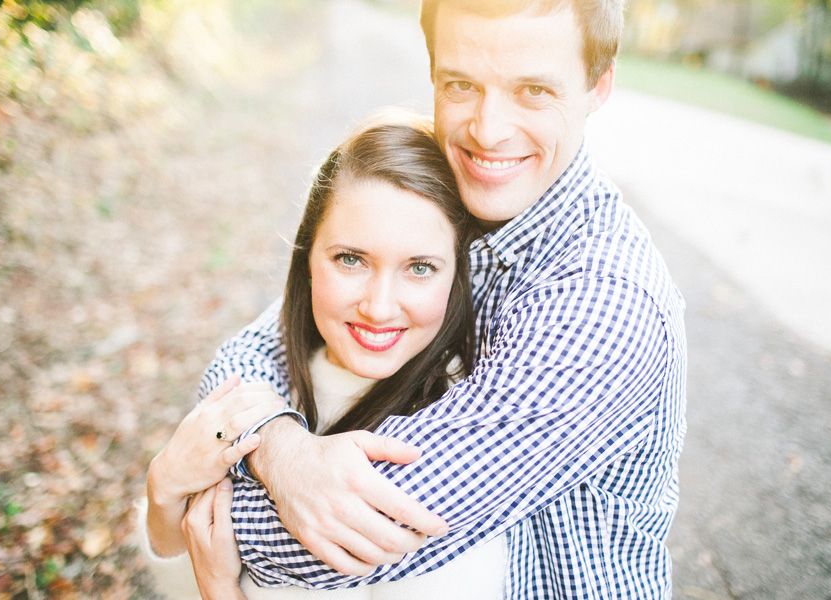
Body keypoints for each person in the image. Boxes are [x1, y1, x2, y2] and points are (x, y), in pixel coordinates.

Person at [193, 0, 687, 598]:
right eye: (461, 84)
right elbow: (261, 346)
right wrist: (276, 445)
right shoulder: (463, 185)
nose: (488, 129)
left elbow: (351, 538)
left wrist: (194, 479)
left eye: (533, 89)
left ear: (596, 85)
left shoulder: (604, 304)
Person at [139, 115, 509, 599]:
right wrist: (162, 487)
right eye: (351, 259)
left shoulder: (465, 427)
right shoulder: (260, 386)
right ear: (308, 260)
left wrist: (220, 591)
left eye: (420, 268)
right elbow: (176, 565)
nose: (378, 307)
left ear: (456, 276)